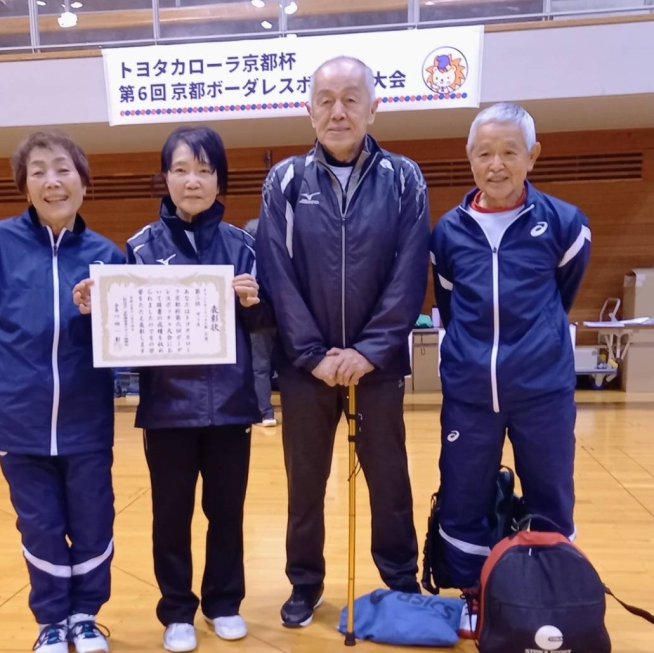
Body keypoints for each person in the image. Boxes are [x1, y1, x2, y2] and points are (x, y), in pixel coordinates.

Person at [74, 126, 269, 653]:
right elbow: (124, 329)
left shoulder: (243, 245)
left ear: (220, 180)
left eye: (204, 171)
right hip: (166, 410)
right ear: (165, 177)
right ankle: (177, 610)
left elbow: (266, 325)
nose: (193, 181)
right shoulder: (140, 247)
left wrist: (254, 303)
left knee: (226, 512)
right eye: (181, 169)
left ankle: (224, 602)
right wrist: (96, 305)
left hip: (231, 406)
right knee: (171, 515)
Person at [255, 56, 430, 628]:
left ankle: (400, 579)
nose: (338, 111)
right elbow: (276, 272)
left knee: (390, 478)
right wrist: (312, 355)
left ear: (373, 107)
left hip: (377, 368)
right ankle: (305, 583)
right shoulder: (284, 181)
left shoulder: (404, 177)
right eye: (326, 100)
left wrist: (370, 351)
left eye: (351, 98)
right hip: (305, 370)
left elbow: (410, 270)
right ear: (309, 110)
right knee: (305, 482)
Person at [0, 130, 123, 653]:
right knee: (40, 525)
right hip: (18, 418)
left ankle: (85, 616)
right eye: (39, 172)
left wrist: (97, 314)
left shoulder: (107, 256)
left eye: (63, 169)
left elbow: (119, 337)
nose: (53, 181)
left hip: (86, 418)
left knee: (93, 520)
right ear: (24, 186)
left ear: (83, 182)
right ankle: (51, 619)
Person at [429, 102, 591, 637]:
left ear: (532, 156)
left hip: (542, 391)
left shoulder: (565, 223)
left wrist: (533, 345)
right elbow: (450, 306)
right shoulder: (448, 233)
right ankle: (473, 593)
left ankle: (548, 594)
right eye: (484, 153)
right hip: (469, 392)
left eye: (508, 152)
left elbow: (562, 293)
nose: (495, 164)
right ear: (469, 157)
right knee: (463, 495)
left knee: (550, 493)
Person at [243, 218, 277, 428]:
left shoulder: (247, 259)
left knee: (260, 366)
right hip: (285, 317)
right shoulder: (279, 256)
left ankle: (265, 413)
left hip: (260, 318)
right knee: (288, 365)